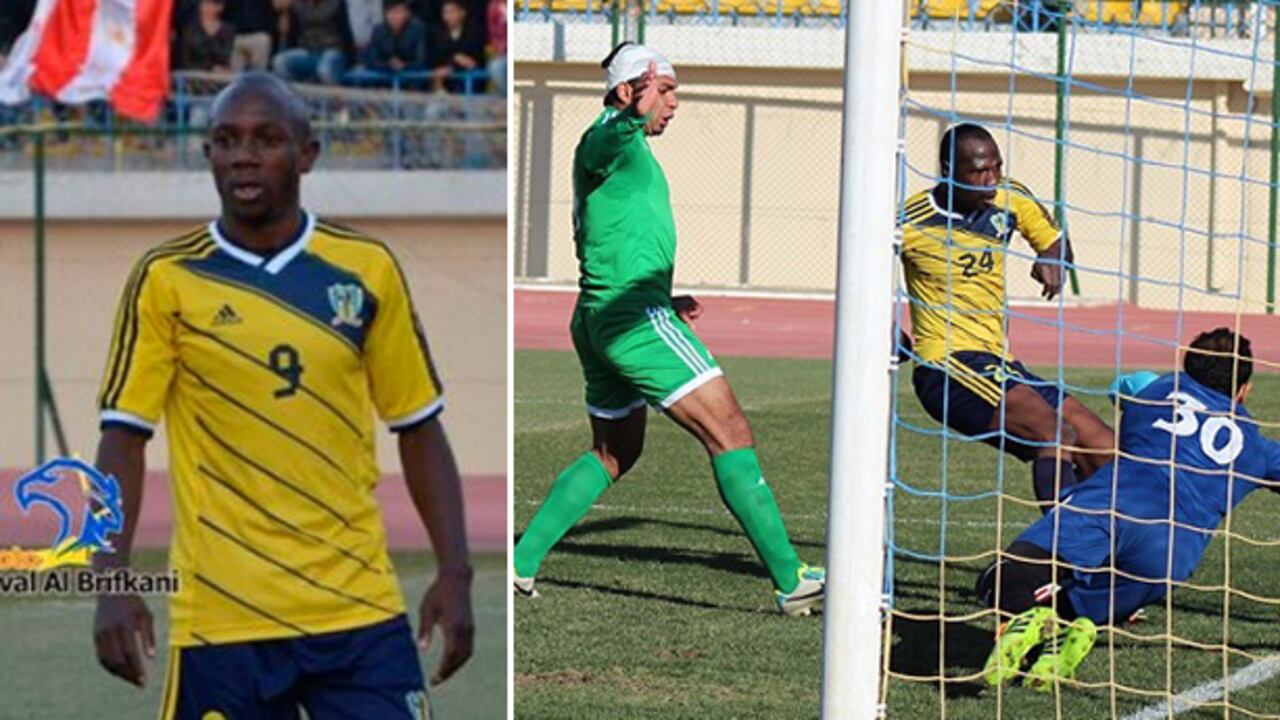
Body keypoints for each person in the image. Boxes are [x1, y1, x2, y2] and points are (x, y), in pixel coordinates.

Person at [90, 72, 473, 718]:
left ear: (307, 154)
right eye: (226, 140)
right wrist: (109, 579)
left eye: (266, 139)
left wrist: (455, 572)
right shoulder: (166, 278)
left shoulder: (365, 269)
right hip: (221, 622)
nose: (243, 156)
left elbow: (418, 425)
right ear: (208, 155)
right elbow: (122, 437)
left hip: (358, 612)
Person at [511, 44, 824, 616]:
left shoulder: (629, 149)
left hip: (604, 314)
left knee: (615, 452)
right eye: (665, 90)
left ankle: (520, 562)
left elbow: (618, 234)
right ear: (627, 91)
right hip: (631, 319)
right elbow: (602, 143)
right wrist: (627, 116)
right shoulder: (609, 138)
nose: (674, 103)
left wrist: (663, 295)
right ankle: (791, 578)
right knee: (730, 431)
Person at [976, 328, 1278, 691]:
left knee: (1000, 577)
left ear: (1186, 367)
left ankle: (1028, 615)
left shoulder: (1157, 389)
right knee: (1080, 604)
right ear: (1243, 391)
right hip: (1170, 554)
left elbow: (1123, 386)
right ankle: (1061, 636)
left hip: (1115, 503)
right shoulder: (1259, 451)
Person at [901, 122, 1115, 510]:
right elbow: (859, 274)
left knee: (1103, 446)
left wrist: (1052, 259)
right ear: (948, 170)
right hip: (946, 366)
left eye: (997, 167)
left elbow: (1055, 241)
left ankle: (1108, 543)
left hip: (1000, 362)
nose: (992, 179)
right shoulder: (911, 222)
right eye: (980, 171)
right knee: (1053, 434)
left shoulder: (1010, 197)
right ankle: (1060, 543)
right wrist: (888, 333)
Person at [271, 0, 355, 85]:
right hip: (307, 51)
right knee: (279, 62)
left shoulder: (336, 3)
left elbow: (345, 33)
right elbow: (293, 35)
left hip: (331, 51)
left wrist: (353, 61)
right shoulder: (298, 5)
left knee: (324, 70)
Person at [426, 0, 484, 93]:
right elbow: (436, 59)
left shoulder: (473, 33)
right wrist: (454, 59)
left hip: (470, 83)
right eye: (445, 13)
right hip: (445, 83)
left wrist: (454, 66)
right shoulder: (438, 35)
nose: (448, 16)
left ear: (462, 13)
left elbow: (472, 62)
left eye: (452, 11)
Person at [364, 0, 428, 75]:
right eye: (391, 12)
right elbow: (372, 60)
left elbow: (421, 60)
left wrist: (405, 65)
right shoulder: (378, 30)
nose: (394, 16)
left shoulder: (417, 29)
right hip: (385, 74)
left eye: (398, 12)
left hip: (411, 75)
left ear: (407, 13)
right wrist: (388, 65)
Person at [177, 0, 236, 73]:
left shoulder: (228, 30)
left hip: (221, 75)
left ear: (221, 7)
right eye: (205, 4)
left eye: (212, 4)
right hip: (193, 75)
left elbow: (227, 56)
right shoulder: (189, 30)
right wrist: (210, 68)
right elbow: (185, 60)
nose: (208, 8)